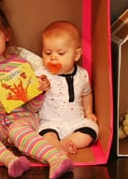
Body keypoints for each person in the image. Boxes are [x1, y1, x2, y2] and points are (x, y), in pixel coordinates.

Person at [0, 0, 74, 179]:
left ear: (6, 35)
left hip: (22, 118)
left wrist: (39, 91)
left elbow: (33, 108)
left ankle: (56, 158)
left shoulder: (20, 64)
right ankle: (10, 161)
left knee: (17, 131)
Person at [37, 20, 99, 154]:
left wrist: (88, 112)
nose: (53, 58)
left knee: (91, 130)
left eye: (60, 53)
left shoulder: (82, 74)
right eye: (47, 53)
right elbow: (31, 94)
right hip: (50, 123)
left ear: (76, 55)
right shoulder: (42, 74)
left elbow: (87, 93)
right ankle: (55, 145)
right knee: (44, 135)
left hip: (76, 121)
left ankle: (66, 143)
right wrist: (40, 86)